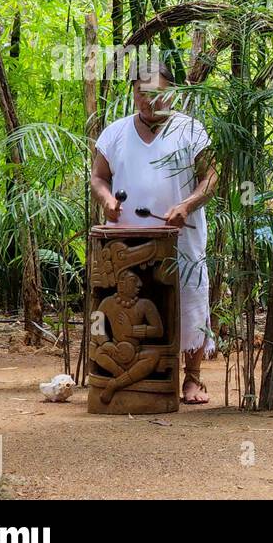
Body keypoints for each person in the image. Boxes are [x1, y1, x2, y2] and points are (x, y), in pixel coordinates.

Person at [92, 59, 217, 404]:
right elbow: (99, 177)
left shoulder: (192, 130)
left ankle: (192, 379)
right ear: (133, 94)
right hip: (126, 241)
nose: (149, 101)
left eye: (157, 94)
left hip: (182, 236)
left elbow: (211, 178)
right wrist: (106, 200)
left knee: (189, 300)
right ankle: (124, 375)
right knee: (125, 303)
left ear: (172, 93)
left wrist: (187, 205)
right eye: (141, 93)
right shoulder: (115, 133)